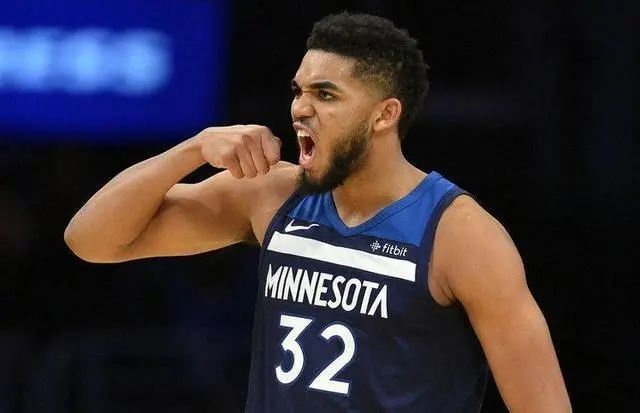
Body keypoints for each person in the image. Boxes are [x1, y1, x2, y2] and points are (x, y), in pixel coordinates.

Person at [64, 12, 572, 413]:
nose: (300, 109)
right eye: (299, 91)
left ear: (384, 115)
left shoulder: (459, 233)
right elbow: (91, 240)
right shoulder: (271, 194)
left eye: (325, 94)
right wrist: (192, 149)